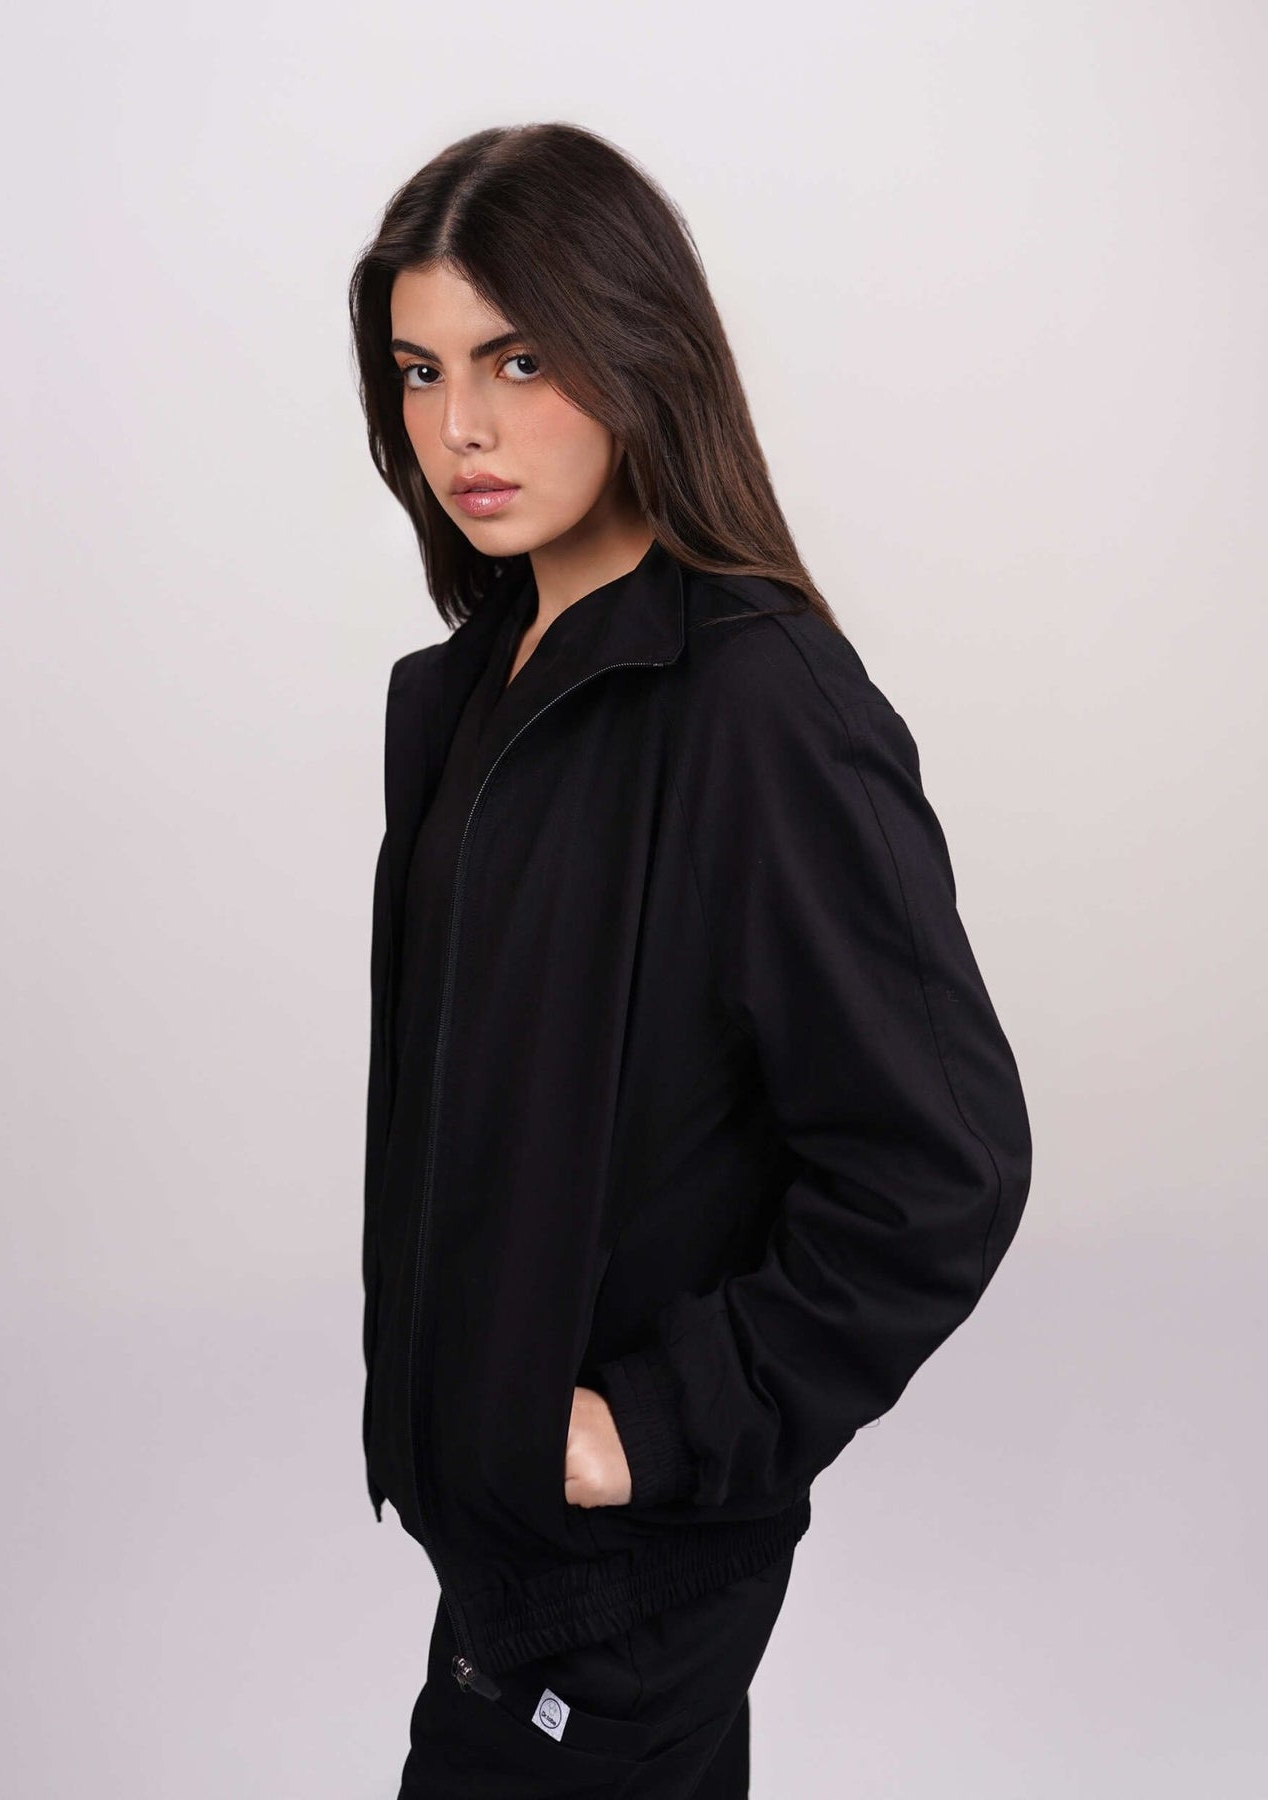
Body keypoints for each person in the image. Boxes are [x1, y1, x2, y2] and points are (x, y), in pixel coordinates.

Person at [348, 122, 1033, 1798]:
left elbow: (940, 1166)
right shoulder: (479, 690)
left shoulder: (759, 707)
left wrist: (649, 1429)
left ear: (634, 345)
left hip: (628, 1587)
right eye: (423, 372)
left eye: (518, 359)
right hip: (503, 1570)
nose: (462, 428)